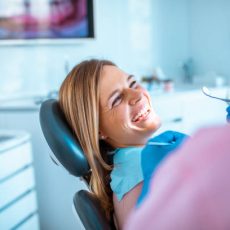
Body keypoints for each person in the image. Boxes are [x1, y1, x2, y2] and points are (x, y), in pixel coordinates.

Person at [58, 59, 186, 229]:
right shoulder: (139, 171)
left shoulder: (128, 169)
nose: (137, 95)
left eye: (133, 83)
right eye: (117, 99)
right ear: (97, 130)